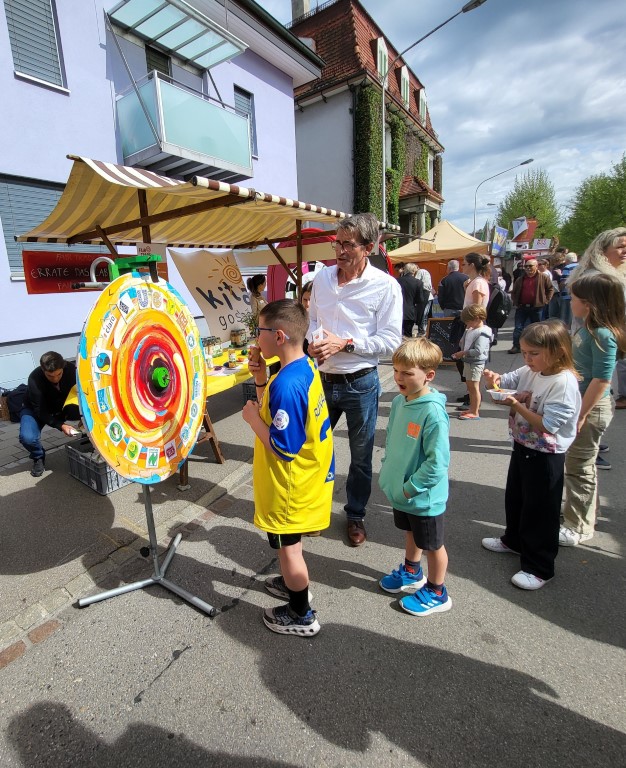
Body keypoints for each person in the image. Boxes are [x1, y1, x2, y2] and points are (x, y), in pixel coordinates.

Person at [308, 212, 402, 547]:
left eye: (348, 244)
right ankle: (316, 510)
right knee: (315, 449)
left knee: (360, 456)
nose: (340, 250)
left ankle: (356, 514)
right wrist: (314, 342)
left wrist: (345, 343)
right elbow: (313, 320)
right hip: (323, 379)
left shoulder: (386, 286)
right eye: (337, 242)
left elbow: (391, 341)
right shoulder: (322, 279)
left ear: (369, 247)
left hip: (360, 382)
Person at [242, 300, 334, 636]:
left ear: (278, 336)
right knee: (289, 546)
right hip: (302, 479)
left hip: (288, 486)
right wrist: (259, 379)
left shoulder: (287, 385)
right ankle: (292, 583)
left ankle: (301, 613)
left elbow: (283, 448)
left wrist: (252, 419)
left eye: (260, 331)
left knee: (289, 548)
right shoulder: (301, 367)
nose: (256, 338)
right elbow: (283, 416)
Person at [482, 321, 581, 590]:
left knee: (541, 510)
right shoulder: (531, 369)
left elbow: (548, 425)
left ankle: (540, 567)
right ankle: (514, 540)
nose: (527, 359)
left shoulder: (563, 382)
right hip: (524, 444)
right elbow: (506, 383)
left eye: (533, 353)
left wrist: (516, 403)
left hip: (547, 453)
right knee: (517, 497)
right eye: (524, 352)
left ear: (558, 351)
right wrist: (495, 381)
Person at [378, 337, 452, 615]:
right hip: (402, 491)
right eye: (396, 370)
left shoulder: (432, 412)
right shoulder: (400, 401)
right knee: (411, 533)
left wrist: (410, 488)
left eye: (407, 373)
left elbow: (437, 463)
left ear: (429, 375)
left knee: (433, 545)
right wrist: (390, 473)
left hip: (422, 497)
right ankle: (412, 571)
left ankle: (437, 590)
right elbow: (393, 442)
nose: (398, 377)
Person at [558, 273, 626, 546]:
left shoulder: (603, 334)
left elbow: (601, 379)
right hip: (581, 403)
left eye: (574, 298)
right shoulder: (586, 327)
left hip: (592, 407)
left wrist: (582, 414)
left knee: (580, 467)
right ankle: (580, 515)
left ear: (589, 303)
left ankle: (579, 526)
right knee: (577, 465)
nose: (569, 302)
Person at [566, 228, 626, 411]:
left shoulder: (598, 275)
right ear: (602, 250)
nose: (625, 251)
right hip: (593, 344)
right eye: (620, 247)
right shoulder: (599, 279)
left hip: (589, 343)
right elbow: (600, 379)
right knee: (596, 391)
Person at [18, 351, 80, 477]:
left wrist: (84, 417)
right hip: (35, 409)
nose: (55, 379)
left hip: (61, 406)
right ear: (42, 369)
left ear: (64, 367)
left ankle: (88, 441)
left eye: (59, 374)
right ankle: (38, 456)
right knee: (27, 437)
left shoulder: (73, 370)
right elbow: (40, 411)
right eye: (50, 376)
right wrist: (60, 425)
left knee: (91, 413)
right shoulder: (34, 378)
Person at [451, 304, 492, 421]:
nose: (467, 324)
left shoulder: (482, 333)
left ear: (477, 318)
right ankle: (473, 408)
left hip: (475, 363)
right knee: (471, 387)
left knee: (474, 388)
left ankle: (475, 411)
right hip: (469, 362)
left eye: (468, 322)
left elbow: (478, 350)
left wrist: (463, 353)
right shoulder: (471, 329)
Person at [508, 259, 554, 354]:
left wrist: (546, 300)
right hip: (522, 307)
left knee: (537, 328)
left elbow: (550, 289)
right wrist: (515, 301)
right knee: (518, 328)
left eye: (530, 266)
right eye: (526, 266)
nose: (528, 268)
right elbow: (514, 291)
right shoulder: (521, 279)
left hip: (537, 307)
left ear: (536, 266)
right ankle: (516, 346)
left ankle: (537, 347)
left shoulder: (543, 277)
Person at [397, 262, 426, 337]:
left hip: (397, 310)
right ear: (414, 271)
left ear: (405, 270)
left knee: (397, 334)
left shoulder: (397, 280)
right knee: (408, 335)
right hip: (410, 311)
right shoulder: (418, 283)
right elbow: (420, 300)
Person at [556, 253, 578, 328]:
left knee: (564, 317)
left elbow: (564, 281)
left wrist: (559, 290)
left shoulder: (567, 267)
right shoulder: (581, 266)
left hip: (567, 294)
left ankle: (564, 333)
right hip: (578, 295)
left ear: (567, 260)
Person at [415, 263, 433, 335]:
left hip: (425, 296)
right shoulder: (425, 272)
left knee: (423, 314)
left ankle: (423, 331)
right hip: (428, 296)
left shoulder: (420, 271)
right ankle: (424, 330)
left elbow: (416, 283)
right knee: (424, 314)